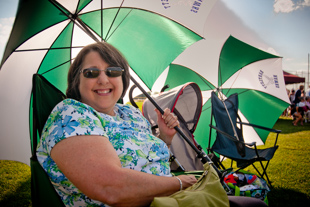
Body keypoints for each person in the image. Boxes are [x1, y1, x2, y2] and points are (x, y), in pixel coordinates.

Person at [37, 42, 267, 207]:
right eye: (91, 72)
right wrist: (178, 182)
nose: (104, 79)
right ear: (76, 80)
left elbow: (144, 156)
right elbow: (110, 189)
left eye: (113, 71)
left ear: (123, 78)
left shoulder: (128, 112)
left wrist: (165, 138)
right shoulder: (71, 113)